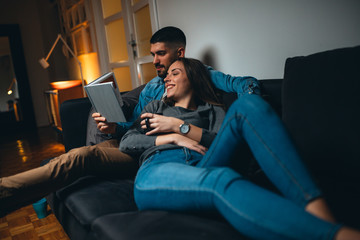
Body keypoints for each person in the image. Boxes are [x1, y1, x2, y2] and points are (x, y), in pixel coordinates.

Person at [0, 26, 258, 217]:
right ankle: (37, 193)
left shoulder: (199, 77)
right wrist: (114, 127)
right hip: (134, 143)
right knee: (71, 157)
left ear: (179, 53)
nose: (154, 61)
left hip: (149, 153)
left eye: (161, 54)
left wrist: (250, 97)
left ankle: (7, 192)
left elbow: (238, 85)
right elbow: (134, 128)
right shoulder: (154, 90)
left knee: (79, 158)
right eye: (152, 54)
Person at [119, 58, 360, 240]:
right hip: (161, 167)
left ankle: (318, 212)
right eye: (167, 75)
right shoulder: (155, 106)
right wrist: (170, 139)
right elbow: (127, 142)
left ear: (192, 77)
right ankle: (336, 235)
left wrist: (181, 127)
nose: (166, 78)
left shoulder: (213, 110)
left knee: (249, 104)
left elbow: (224, 142)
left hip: (204, 161)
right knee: (220, 178)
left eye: (175, 73)